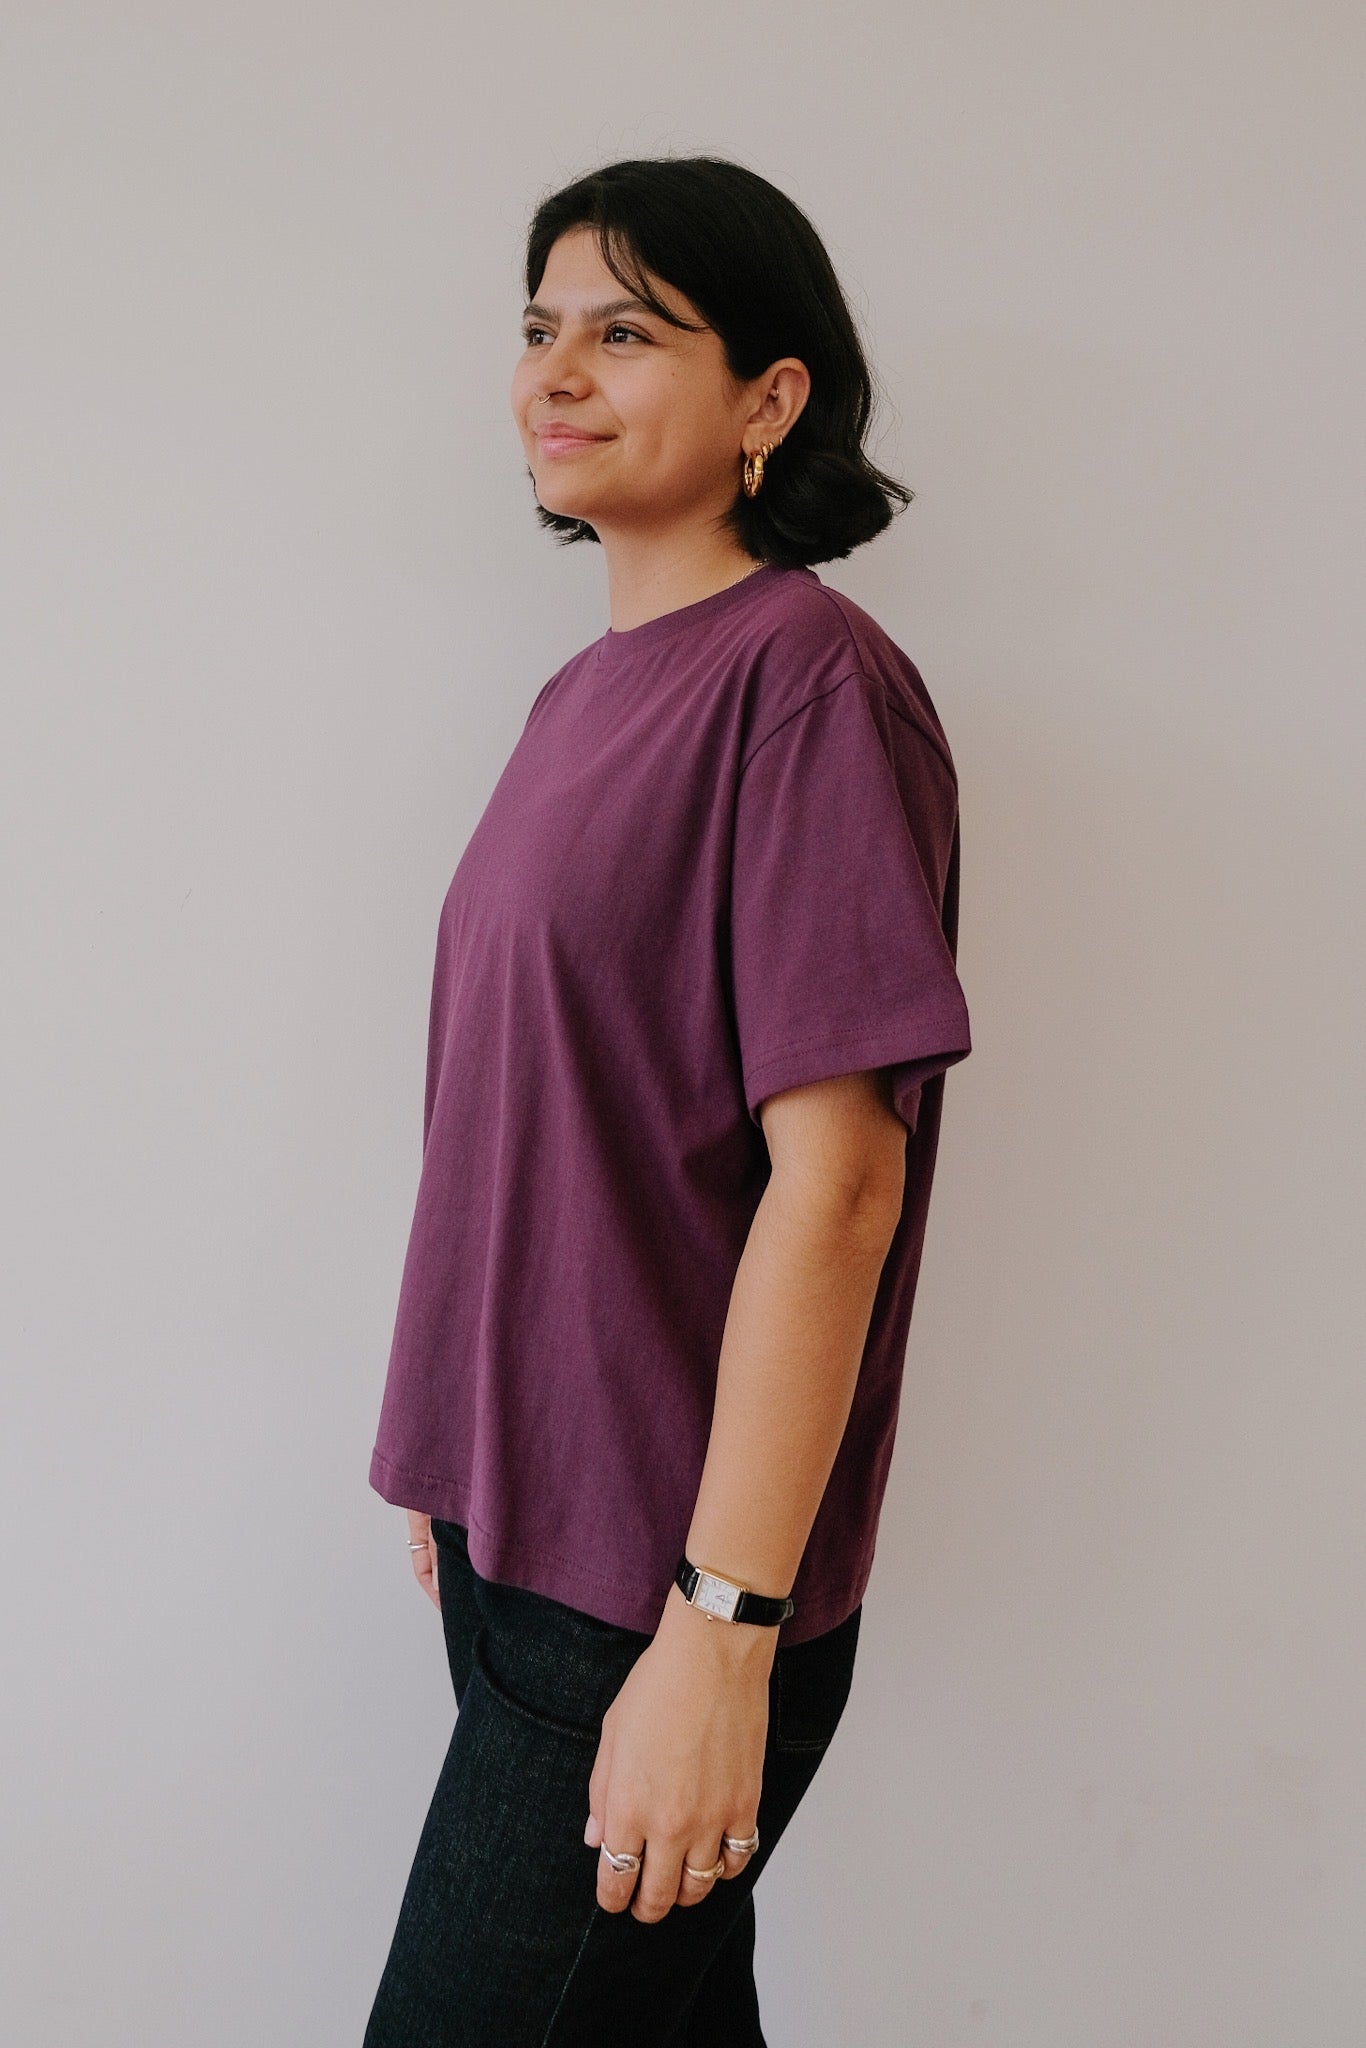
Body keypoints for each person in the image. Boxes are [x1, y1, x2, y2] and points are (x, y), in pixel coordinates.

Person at [362, 154, 972, 2046]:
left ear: (769, 399)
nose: (555, 372)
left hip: (652, 1579)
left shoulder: (804, 683)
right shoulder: (584, 696)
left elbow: (838, 1184)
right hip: (520, 1530)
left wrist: (720, 1626)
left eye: (626, 332)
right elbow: (537, 1114)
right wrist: (459, 1440)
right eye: (538, 328)